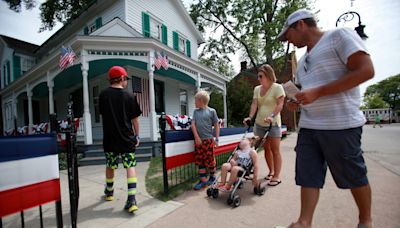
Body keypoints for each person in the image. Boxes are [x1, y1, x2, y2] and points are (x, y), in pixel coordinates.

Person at [278, 9, 374, 228]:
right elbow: (307, 92)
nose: (288, 42)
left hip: (341, 124)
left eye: (288, 35)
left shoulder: (339, 36)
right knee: (308, 176)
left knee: (353, 175)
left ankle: (365, 220)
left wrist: (318, 92)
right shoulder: (302, 62)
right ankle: (304, 222)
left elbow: (366, 70)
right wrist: (297, 101)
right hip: (309, 127)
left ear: (300, 25)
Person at [99, 66, 142, 213]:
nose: (127, 83)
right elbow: (135, 120)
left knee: (110, 165)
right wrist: (137, 136)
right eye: (126, 80)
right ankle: (131, 199)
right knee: (130, 166)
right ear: (122, 78)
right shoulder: (129, 96)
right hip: (127, 138)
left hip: (110, 139)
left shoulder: (103, 95)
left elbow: (103, 114)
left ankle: (110, 192)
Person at [243, 64, 285, 186]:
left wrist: (272, 116)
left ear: (268, 75)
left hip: (273, 124)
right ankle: (271, 172)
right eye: (258, 76)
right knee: (265, 148)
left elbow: (280, 104)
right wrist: (250, 117)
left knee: (275, 150)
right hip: (259, 124)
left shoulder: (277, 88)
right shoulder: (257, 89)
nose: (259, 79)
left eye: (261, 76)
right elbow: (254, 104)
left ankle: (276, 176)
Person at [191, 90, 220, 190]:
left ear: (201, 101)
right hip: (199, 141)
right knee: (200, 161)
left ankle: (212, 177)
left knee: (210, 160)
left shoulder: (212, 111)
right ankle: (203, 180)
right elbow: (193, 124)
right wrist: (196, 137)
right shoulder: (195, 112)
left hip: (208, 140)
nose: (194, 103)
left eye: (195, 100)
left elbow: (216, 125)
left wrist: (217, 139)